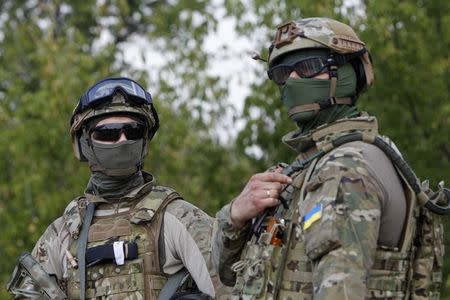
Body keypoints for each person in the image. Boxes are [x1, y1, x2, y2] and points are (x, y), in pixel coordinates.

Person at [214, 17, 449, 299]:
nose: (292, 80)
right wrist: (235, 216)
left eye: (309, 67)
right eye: (281, 73)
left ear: (350, 73)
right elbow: (227, 274)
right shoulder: (309, 167)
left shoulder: (346, 167)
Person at [7, 77, 216, 299]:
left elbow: (235, 289)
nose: (123, 140)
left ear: (145, 141)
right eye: (108, 133)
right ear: (84, 144)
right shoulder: (63, 233)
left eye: (133, 131)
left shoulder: (177, 218)